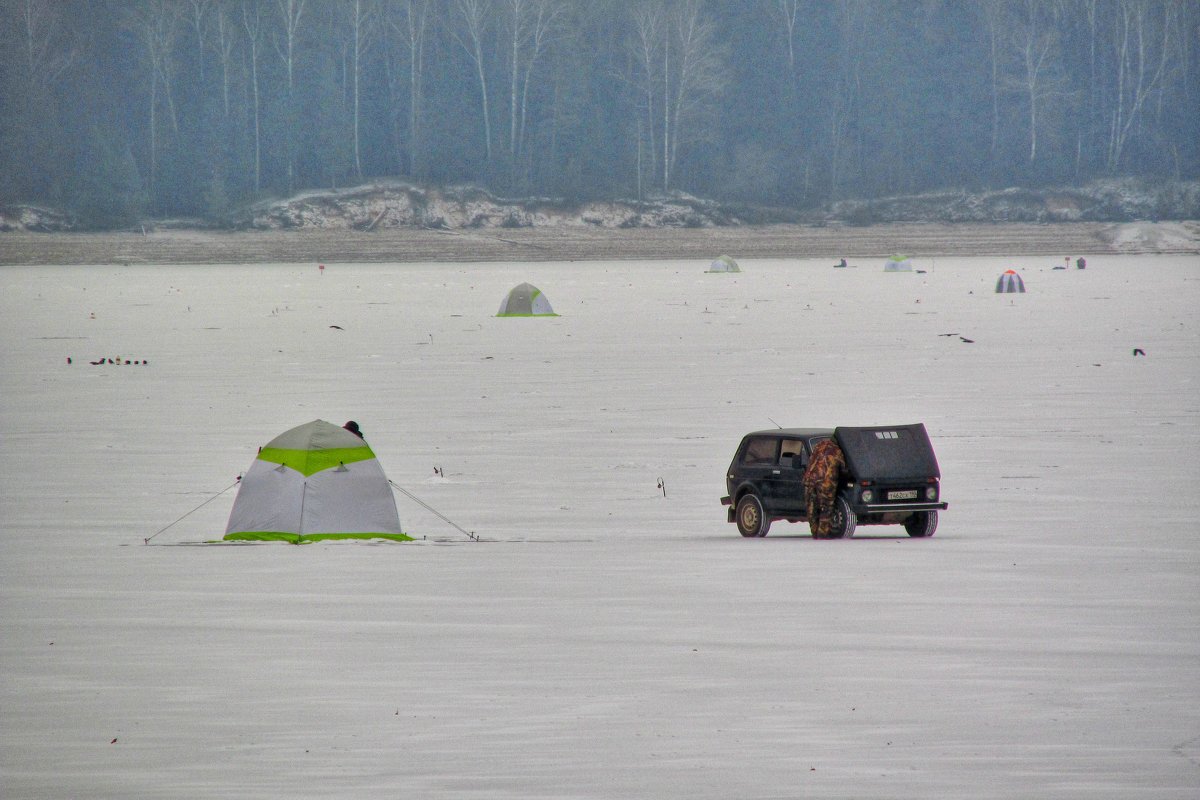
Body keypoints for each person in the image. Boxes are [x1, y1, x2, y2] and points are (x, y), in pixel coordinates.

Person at [802, 438, 846, 539]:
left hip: (809, 480)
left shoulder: (818, 446)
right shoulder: (837, 451)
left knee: (811, 509)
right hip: (825, 483)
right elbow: (843, 468)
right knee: (826, 508)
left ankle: (814, 533)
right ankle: (823, 534)